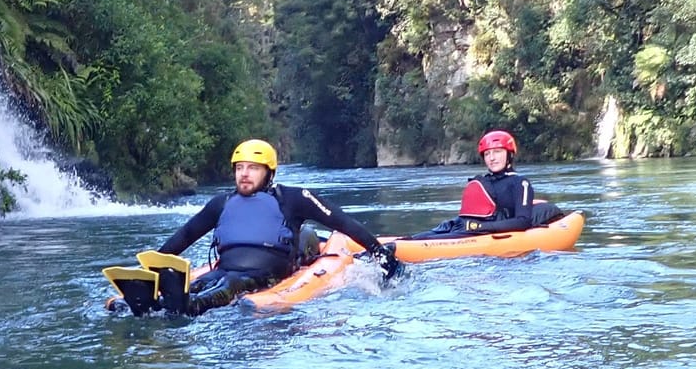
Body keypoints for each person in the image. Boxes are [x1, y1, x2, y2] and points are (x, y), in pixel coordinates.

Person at [150, 140, 399, 314]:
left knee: (231, 284)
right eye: (240, 167)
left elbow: (342, 221)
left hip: (265, 275)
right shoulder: (221, 203)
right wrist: (153, 268)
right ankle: (165, 300)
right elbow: (185, 235)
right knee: (206, 280)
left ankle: (193, 306)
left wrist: (379, 253)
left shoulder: (293, 198)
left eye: (253, 168)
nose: (244, 174)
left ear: (269, 173)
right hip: (225, 270)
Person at [459, 129, 564, 230]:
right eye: (487, 154)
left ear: (510, 155)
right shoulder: (483, 183)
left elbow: (523, 221)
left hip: (490, 229)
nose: (492, 158)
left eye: (497, 152)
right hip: (475, 230)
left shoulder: (520, 183)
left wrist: (480, 227)